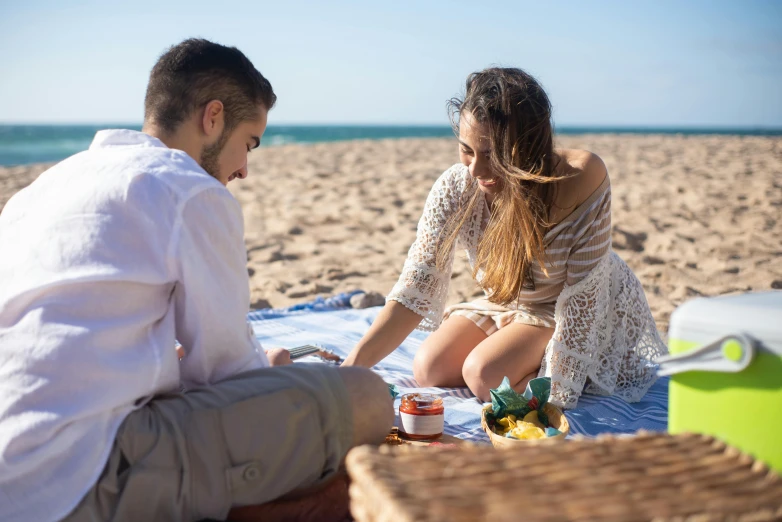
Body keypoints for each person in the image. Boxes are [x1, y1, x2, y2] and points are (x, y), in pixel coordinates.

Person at [0, 39, 393, 522]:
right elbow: (223, 371)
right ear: (212, 117)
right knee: (368, 399)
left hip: (16, 456)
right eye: (248, 143)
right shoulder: (188, 190)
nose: (245, 170)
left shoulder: (42, 188)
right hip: (75, 476)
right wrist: (268, 373)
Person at [343, 67, 667, 407]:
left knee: (484, 375)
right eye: (467, 149)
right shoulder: (457, 187)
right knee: (428, 368)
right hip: (512, 304)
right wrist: (349, 372)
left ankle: (549, 362)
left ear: (529, 145)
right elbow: (415, 287)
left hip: (582, 305)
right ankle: (516, 350)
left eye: (494, 154)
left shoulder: (581, 177)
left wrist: (558, 393)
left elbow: (583, 296)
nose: (476, 170)